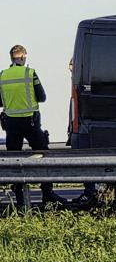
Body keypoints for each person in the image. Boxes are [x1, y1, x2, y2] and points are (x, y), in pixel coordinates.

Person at [0, 45, 68, 206]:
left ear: (12, 58)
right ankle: (47, 193)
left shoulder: (2, 75)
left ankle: (19, 199)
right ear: (23, 57)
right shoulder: (29, 73)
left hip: (11, 124)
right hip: (30, 122)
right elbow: (42, 97)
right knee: (43, 155)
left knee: (14, 161)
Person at [66, 57, 98, 209]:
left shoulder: (82, 87)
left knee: (86, 160)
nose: (70, 68)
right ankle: (91, 191)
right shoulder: (79, 86)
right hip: (82, 127)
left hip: (85, 128)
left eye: (72, 65)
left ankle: (91, 191)